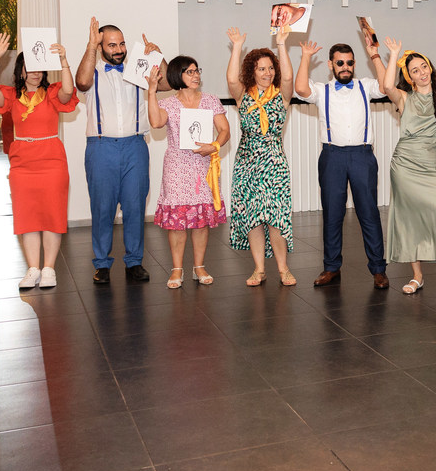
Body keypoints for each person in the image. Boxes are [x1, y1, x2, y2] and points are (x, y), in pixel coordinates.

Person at [0, 34, 78, 289]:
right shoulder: (12, 96)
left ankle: (49, 269)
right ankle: (33, 268)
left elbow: (68, 92)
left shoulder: (52, 93)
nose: (35, 73)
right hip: (22, 163)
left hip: (52, 161)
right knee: (27, 216)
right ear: (21, 70)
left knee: (53, 215)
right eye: (30, 68)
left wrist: (64, 60)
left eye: (40, 68)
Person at [75, 18, 166, 285]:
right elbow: (81, 83)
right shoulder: (92, 71)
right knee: (102, 208)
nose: (119, 49)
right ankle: (102, 263)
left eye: (122, 44)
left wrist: (158, 56)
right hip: (101, 147)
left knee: (135, 206)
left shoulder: (139, 70)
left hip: (135, 146)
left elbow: (167, 83)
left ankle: (134, 261)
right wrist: (90, 46)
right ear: (100, 47)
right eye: (112, 45)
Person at [295, 36, 389, 289]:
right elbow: (301, 89)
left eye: (349, 63)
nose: (345, 67)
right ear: (331, 65)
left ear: (354, 64)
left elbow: (386, 85)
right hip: (332, 157)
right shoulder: (322, 90)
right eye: (340, 63)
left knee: (369, 214)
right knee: (332, 214)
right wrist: (305, 57)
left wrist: (375, 55)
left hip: (362, 156)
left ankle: (378, 269)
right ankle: (331, 267)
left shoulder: (365, 86)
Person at [380, 37, 436, 298]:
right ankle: (417, 276)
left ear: (430, 68)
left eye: (423, 67)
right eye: (414, 70)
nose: (421, 72)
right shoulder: (404, 98)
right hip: (404, 166)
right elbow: (387, 85)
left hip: (431, 167)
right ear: (409, 78)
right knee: (409, 221)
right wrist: (393, 54)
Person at [147, 55, 230, 289]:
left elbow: (225, 130)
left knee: (201, 220)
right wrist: (152, 91)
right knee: (177, 220)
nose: (195, 75)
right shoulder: (168, 104)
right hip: (176, 167)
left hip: (202, 166)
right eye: (189, 71)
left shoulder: (211, 100)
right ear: (178, 75)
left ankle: (199, 266)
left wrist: (214, 145)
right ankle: (176, 269)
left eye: (196, 70)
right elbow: (156, 122)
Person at [226, 26, 296, 286]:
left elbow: (288, 78)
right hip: (247, 164)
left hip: (274, 163)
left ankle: (283, 269)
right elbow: (231, 80)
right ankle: (259, 269)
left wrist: (281, 44)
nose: (268, 73)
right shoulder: (243, 96)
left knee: (276, 218)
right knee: (253, 219)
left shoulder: (282, 96)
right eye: (262, 69)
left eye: (271, 68)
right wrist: (236, 47)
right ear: (252, 72)